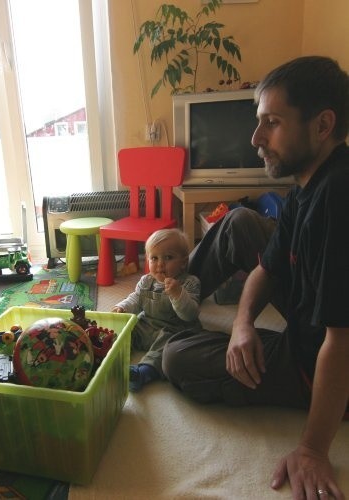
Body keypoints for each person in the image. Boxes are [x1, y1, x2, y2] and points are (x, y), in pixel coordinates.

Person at [162, 55, 349, 500]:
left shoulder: (340, 197)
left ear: (322, 125)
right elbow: (266, 267)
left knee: (175, 356)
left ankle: (170, 323)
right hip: (309, 313)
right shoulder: (311, 182)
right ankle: (170, 300)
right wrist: (243, 324)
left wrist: (312, 449)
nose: (255, 139)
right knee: (241, 221)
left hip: (318, 355)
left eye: (272, 123)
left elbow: (343, 339)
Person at [112, 228, 201, 392]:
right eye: (154, 258)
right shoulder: (146, 281)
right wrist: (123, 307)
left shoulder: (189, 283)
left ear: (183, 262)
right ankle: (112, 358)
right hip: (147, 326)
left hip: (174, 329)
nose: (160, 264)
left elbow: (190, 314)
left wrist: (178, 294)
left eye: (168, 257)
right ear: (147, 260)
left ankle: (144, 372)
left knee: (168, 346)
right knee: (126, 330)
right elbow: (136, 298)